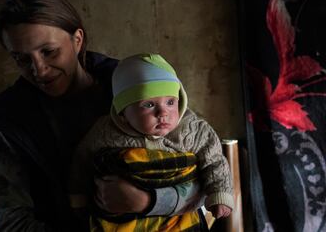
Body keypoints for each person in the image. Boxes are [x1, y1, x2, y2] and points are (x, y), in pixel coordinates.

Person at [0, 0, 208, 232]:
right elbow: (12, 221)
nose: (38, 70)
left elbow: (207, 182)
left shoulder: (137, 86)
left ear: (77, 40)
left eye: (49, 52)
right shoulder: (10, 119)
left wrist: (148, 201)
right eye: (21, 59)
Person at [69, 53, 234, 231]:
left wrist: (220, 194)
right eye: (149, 105)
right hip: (125, 220)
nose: (163, 113)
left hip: (178, 218)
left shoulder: (193, 129)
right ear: (123, 114)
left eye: (170, 102)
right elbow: (82, 160)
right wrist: (79, 197)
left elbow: (215, 160)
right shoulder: (105, 132)